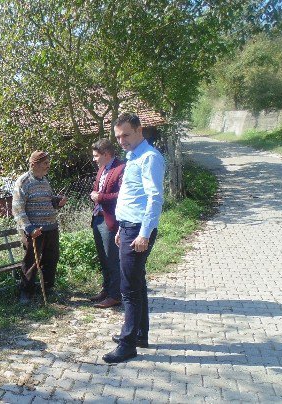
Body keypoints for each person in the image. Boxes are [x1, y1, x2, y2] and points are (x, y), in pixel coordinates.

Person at [102, 113, 165, 363]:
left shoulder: (150, 158)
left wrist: (143, 233)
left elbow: (154, 198)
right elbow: (132, 197)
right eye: (118, 136)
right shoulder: (133, 156)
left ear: (140, 130)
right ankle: (139, 334)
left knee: (128, 288)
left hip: (138, 230)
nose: (122, 140)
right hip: (128, 228)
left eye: (126, 134)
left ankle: (128, 344)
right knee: (137, 283)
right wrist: (121, 228)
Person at [12, 151, 68, 304]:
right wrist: (29, 228)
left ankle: (47, 289)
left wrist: (58, 202)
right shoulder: (23, 181)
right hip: (34, 231)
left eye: (48, 163)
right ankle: (26, 293)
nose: (48, 166)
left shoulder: (44, 180)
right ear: (34, 164)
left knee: (51, 259)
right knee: (31, 263)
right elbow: (17, 208)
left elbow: (49, 201)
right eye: (45, 163)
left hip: (51, 228)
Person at [89, 138, 126, 309]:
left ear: (107, 154)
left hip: (110, 220)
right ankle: (106, 289)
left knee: (112, 258)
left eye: (97, 156)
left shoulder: (121, 168)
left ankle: (115, 295)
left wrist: (101, 197)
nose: (94, 159)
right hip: (98, 218)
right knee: (103, 258)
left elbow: (123, 195)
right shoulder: (102, 169)